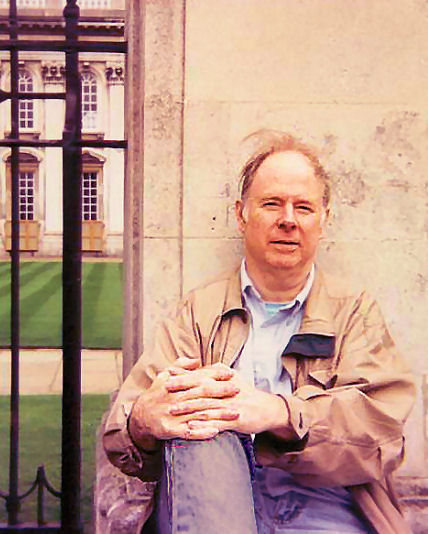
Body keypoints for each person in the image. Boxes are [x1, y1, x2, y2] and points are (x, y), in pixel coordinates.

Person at [103, 130, 415, 533]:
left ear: (324, 219)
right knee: (200, 426)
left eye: (303, 207)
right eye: (271, 204)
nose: (288, 219)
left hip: (326, 511)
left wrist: (278, 413)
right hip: (214, 506)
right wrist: (143, 419)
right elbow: (121, 435)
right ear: (241, 214)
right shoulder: (198, 312)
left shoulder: (354, 311)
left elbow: (383, 436)